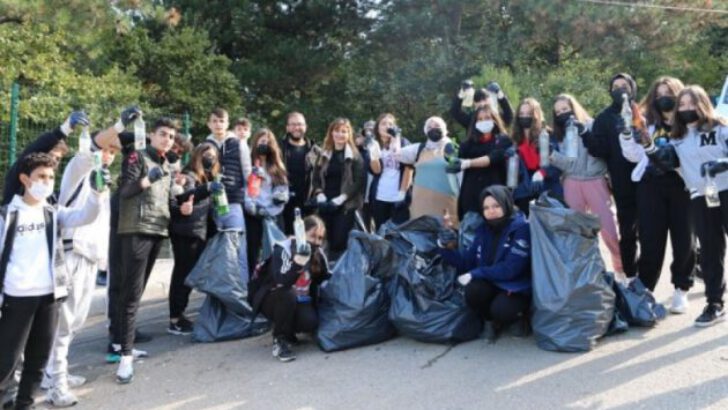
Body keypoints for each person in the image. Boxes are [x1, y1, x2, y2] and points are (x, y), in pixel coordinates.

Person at [0, 153, 105, 410]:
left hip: (50, 297)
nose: (46, 182)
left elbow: (85, 217)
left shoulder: (53, 212)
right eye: (41, 177)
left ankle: (25, 403)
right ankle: (5, 401)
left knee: (38, 357)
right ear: (25, 179)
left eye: (50, 177)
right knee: (8, 358)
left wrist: (96, 193)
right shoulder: (8, 215)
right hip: (16, 297)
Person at [42, 137, 116, 407]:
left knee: (75, 321)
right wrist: (109, 135)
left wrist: (104, 257)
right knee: (64, 323)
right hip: (72, 255)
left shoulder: (101, 180)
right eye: (105, 150)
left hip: (89, 259)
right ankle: (55, 382)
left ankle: (54, 371)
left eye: (112, 152)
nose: (108, 156)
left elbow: (100, 222)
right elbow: (83, 158)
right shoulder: (77, 171)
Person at [650, 85, 728, 326]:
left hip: (726, 189)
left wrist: (722, 162)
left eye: (691, 104)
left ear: (702, 103)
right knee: (710, 251)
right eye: (681, 105)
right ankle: (715, 302)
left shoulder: (720, 128)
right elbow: (664, 162)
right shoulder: (677, 138)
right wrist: (645, 144)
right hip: (700, 195)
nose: (686, 109)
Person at [619, 77, 697, 313]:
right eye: (659, 93)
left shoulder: (689, 123)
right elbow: (632, 156)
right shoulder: (646, 123)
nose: (664, 97)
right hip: (651, 185)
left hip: (681, 186)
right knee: (651, 238)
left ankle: (681, 288)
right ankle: (646, 288)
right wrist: (626, 134)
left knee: (684, 239)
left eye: (669, 92)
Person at [115, 118, 177, 383]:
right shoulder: (136, 157)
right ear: (151, 135)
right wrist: (146, 180)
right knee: (130, 293)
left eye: (171, 136)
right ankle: (125, 358)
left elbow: (169, 199)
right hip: (136, 229)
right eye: (163, 134)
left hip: (158, 229)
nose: (167, 139)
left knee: (135, 292)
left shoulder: (167, 164)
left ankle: (123, 345)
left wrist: (184, 203)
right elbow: (124, 191)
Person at [438, 185, 531, 341]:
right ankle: (490, 321)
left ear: (506, 203)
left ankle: (517, 319)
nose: (491, 211)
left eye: (496, 206)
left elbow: (511, 269)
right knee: (473, 291)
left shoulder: (521, 228)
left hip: (515, 285)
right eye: (486, 208)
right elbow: (467, 262)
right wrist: (444, 246)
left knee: (502, 309)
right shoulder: (483, 229)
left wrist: (477, 273)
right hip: (491, 281)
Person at [549, 94, 623, 273]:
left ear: (574, 107)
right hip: (571, 181)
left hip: (595, 180)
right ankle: (585, 273)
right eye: (558, 112)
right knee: (576, 232)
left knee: (609, 229)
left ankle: (622, 269)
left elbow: (601, 150)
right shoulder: (558, 135)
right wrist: (552, 155)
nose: (562, 114)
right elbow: (568, 162)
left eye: (565, 109)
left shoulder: (592, 124)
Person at [582, 73, 641, 279]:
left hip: (648, 180)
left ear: (632, 88)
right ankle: (630, 275)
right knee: (627, 231)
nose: (620, 90)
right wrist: (585, 136)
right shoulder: (604, 117)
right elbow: (600, 150)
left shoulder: (642, 112)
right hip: (621, 180)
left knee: (650, 229)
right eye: (615, 87)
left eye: (624, 85)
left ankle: (648, 276)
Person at [250, 215, 329, 362]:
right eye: (312, 236)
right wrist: (298, 263)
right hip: (272, 298)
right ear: (301, 234)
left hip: (300, 300)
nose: (317, 242)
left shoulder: (318, 253)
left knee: (310, 321)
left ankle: (288, 331)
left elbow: (325, 278)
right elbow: (282, 281)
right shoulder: (284, 249)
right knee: (288, 294)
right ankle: (279, 339)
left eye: (320, 238)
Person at [167, 143, 221, 336]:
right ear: (197, 156)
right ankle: (175, 318)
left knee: (188, 275)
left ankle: (179, 315)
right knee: (182, 275)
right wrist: (206, 189)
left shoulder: (208, 177)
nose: (210, 158)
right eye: (206, 154)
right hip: (186, 232)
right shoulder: (188, 176)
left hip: (199, 232)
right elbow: (182, 196)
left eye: (213, 156)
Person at [1, 111, 88, 206]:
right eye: (50, 156)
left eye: (58, 159)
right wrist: (64, 129)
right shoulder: (17, 179)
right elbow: (32, 150)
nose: (53, 161)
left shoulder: (49, 200)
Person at [311, 118, 365, 258]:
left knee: (338, 242)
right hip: (325, 204)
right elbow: (316, 178)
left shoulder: (355, 156)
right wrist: (319, 194)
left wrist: (341, 198)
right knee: (321, 240)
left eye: (344, 131)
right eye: (337, 131)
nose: (340, 134)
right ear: (331, 133)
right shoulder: (323, 154)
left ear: (349, 134)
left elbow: (359, 182)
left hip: (344, 206)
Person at [448, 106, 511, 220]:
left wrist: (467, 163)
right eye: (480, 119)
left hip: (495, 198)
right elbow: (456, 168)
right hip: (471, 199)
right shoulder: (467, 145)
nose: (483, 122)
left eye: (487, 118)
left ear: (495, 120)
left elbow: (492, 158)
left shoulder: (503, 140)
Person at [397, 116, 460, 226]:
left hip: (446, 204)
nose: (433, 129)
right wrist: (395, 138)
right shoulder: (418, 149)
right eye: (429, 127)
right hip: (421, 205)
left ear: (445, 129)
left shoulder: (453, 148)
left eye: (437, 126)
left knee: (447, 238)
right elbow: (397, 155)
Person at [244, 128, 290, 273]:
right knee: (252, 251)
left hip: (273, 214)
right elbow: (244, 188)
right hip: (253, 213)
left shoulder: (277, 166)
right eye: (262, 141)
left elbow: (283, 188)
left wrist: (280, 197)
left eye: (268, 142)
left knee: (274, 251)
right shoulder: (248, 164)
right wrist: (252, 207)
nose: (264, 144)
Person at [509, 98, 562, 216]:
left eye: (529, 114)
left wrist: (542, 174)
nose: (525, 117)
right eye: (521, 114)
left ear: (536, 115)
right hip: (524, 192)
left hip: (547, 188)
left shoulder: (547, 135)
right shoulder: (515, 141)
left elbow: (557, 165)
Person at [368, 114, 412, 229]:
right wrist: (374, 155)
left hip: (398, 196)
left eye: (390, 124)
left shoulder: (403, 142)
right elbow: (376, 171)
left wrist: (402, 193)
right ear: (377, 127)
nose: (387, 126)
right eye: (383, 123)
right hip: (380, 196)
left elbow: (409, 169)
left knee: (398, 234)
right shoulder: (374, 144)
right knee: (381, 232)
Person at [280, 112, 321, 234]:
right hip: (284, 207)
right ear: (287, 127)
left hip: (309, 206)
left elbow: (322, 178)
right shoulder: (278, 149)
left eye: (299, 124)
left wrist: (318, 196)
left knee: (309, 245)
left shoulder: (316, 151)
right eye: (293, 124)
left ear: (305, 127)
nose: (296, 128)